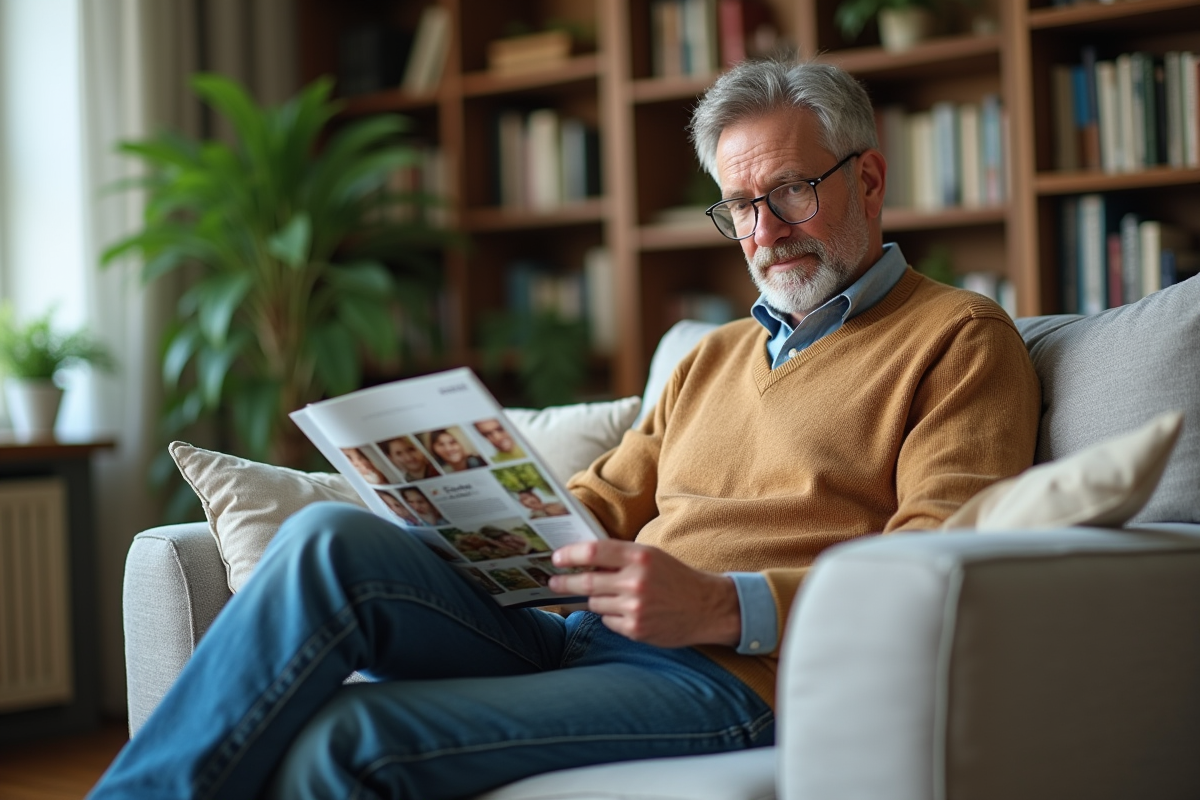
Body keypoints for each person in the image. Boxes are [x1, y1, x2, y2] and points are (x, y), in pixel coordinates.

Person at [89, 59, 1040, 800]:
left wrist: (720, 603)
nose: (764, 232)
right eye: (739, 206)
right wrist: (464, 511)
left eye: (789, 191)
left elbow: (938, 564)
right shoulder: (708, 357)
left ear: (868, 180)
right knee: (326, 539)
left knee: (348, 735)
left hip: (732, 682)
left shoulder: (958, 340)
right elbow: (598, 502)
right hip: (580, 633)